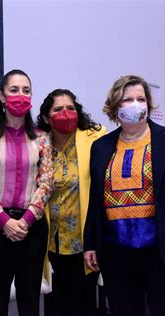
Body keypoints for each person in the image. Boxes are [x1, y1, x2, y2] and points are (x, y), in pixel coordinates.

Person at [83, 74, 165, 316]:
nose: (135, 104)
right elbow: (95, 200)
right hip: (116, 253)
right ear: (114, 106)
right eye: (127, 99)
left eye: (140, 98)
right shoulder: (100, 147)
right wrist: (91, 243)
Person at [0, 69, 53, 316]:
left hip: (32, 227)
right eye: (14, 90)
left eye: (26, 90)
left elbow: (46, 183)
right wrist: (4, 221)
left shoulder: (42, 139)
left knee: (29, 299)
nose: (21, 95)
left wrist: (26, 220)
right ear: (1, 96)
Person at [36, 89, 106, 315]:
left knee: (83, 301)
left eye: (70, 108)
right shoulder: (40, 145)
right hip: (51, 239)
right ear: (47, 117)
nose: (65, 114)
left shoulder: (95, 137)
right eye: (58, 109)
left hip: (85, 239)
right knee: (58, 303)